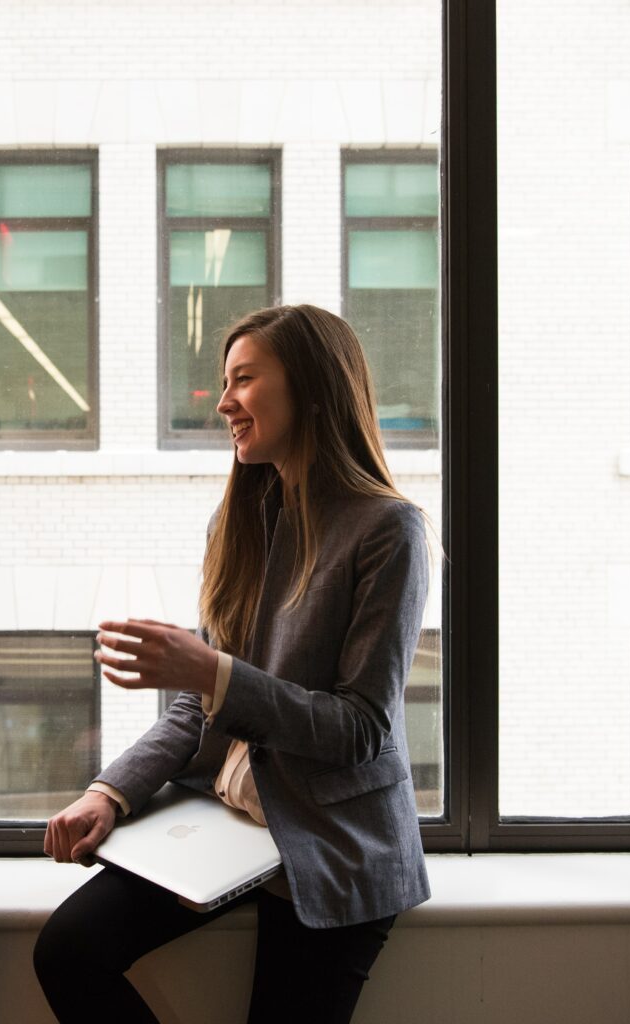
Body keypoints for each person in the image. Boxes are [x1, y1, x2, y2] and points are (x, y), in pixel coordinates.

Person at [34, 304, 431, 1023]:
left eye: (243, 380)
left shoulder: (387, 529)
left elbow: (361, 728)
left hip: (332, 841)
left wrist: (211, 674)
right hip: (231, 822)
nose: (222, 402)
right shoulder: (241, 520)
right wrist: (109, 793)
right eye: (225, 382)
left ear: (311, 388)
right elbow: (199, 706)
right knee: (67, 950)